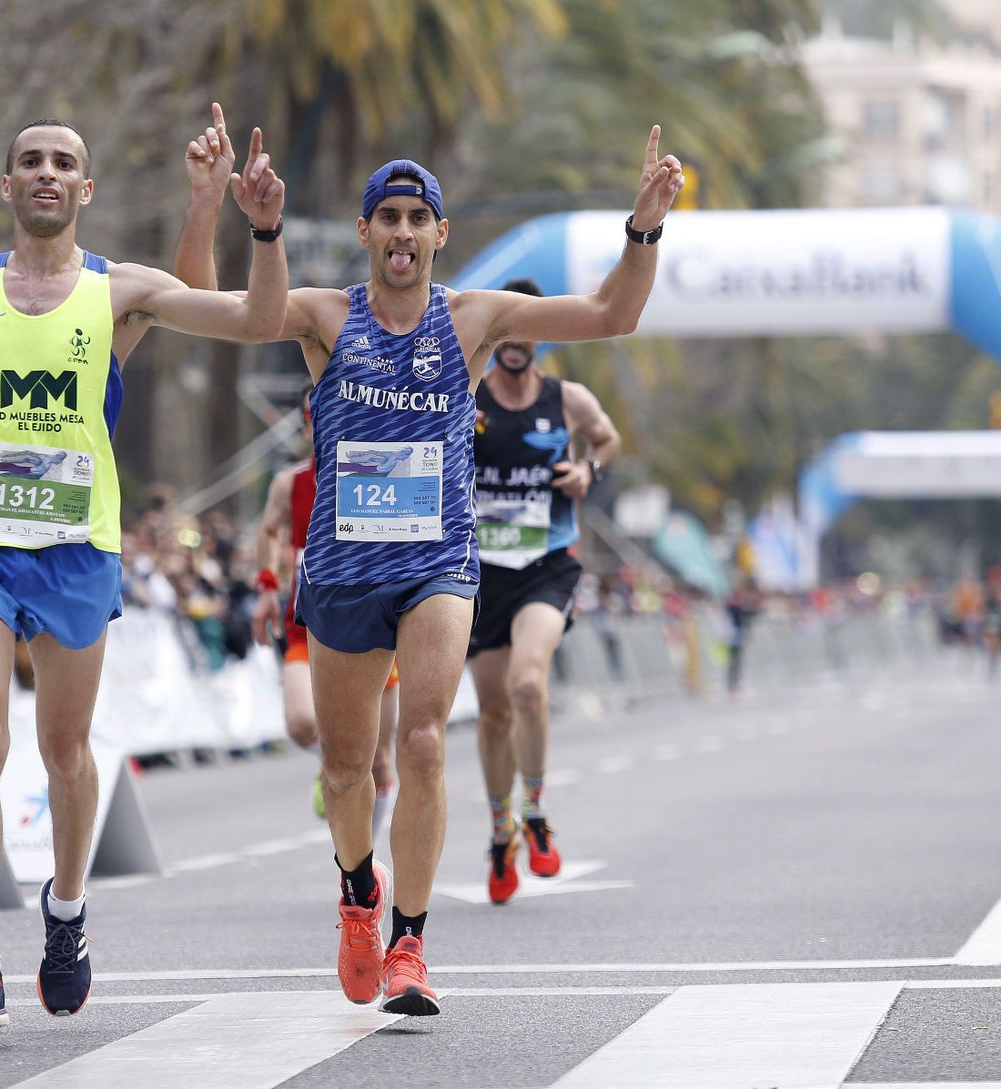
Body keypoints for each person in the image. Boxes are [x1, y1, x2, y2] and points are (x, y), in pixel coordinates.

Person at [176, 108, 681, 1015]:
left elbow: (614, 312)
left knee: (421, 740)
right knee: (344, 765)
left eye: (419, 219)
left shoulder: (474, 318)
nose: (403, 233)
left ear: (441, 235)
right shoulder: (325, 315)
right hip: (339, 568)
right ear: (367, 231)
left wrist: (643, 225)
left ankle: (410, 940)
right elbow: (220, 313)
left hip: (439, 561)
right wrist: (242, 219)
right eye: (389, 217)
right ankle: (359, 895)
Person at [0, 100, 288, 1031]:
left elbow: (250, 321)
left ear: (84, 188)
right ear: (7, 185)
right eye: (28, 159)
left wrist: (240, 219)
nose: (44, 173)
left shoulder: (116, 290)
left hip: (75, 544)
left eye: (62, 162)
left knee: (63, 750)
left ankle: (65, 911)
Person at [463, 278, 620, 905]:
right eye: (508, 331)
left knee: (529, 684)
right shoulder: (467, 394)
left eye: (530, 332)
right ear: (497, 335)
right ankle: (501, 830)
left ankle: (535, 810)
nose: (517, 343)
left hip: (547, 565)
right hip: (479, 574)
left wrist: (589, 470)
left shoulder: (567, 399)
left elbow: (607, 440)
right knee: (495, 710)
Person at [249, 381, 399, 834]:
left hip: (371, 622)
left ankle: (367, 859)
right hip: (306, 624)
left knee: (380, 756)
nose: (321, 425)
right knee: (299, 722)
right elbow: (270, 530)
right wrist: (267, 585)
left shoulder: (373, 469)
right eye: (313, 417)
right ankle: (331, 756)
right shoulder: (290, 481)